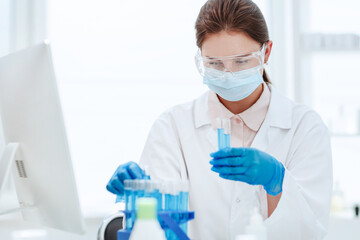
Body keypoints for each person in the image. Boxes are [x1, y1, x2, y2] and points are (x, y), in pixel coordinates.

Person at [106, 0, 333, 239]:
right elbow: (156, 228)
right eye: (214, 64)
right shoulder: (172, 127)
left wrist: (277, 181)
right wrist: (142, 196)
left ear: (266, 51)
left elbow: (310, 231)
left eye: (241, 61)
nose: (228, 74)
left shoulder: (304, 128)